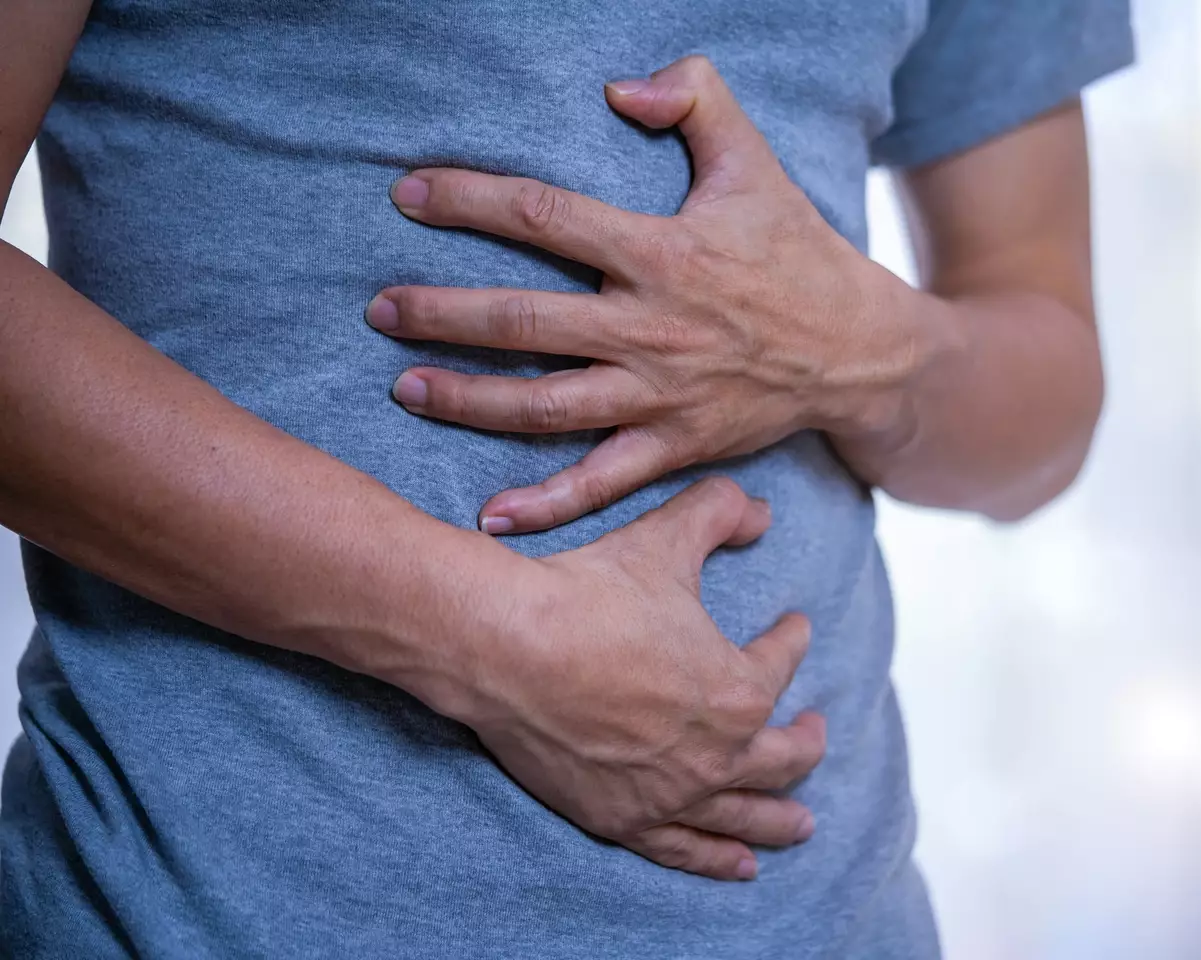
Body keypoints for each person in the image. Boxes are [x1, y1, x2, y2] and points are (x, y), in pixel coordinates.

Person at [0, 0, 1132, 956]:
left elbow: (1048, 418)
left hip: (840, 920)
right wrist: (490, 637)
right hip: (200, 915)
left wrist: (858, 350)